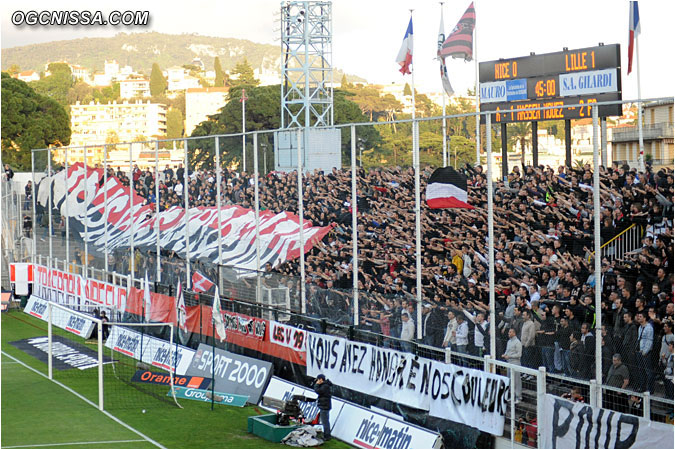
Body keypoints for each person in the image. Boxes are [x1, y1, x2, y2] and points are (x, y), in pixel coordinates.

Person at [502, 327, 522, 403]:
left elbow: (519, 354)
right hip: (509, 362)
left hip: (515, 362)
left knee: (516, 380)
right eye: (509, 332)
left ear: (514, 333)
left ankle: (518, 396)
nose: (508, 333)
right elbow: (507, 350)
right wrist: (505, 355)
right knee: (510, 379)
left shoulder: (517, 342)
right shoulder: (509, 342)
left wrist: (509, 356)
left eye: (510, 332)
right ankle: (512, 395)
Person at [312, 374, 332, 441]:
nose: (317, 381)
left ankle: (327, 436)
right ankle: (327, 435)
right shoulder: (325, 385)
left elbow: (318, 391)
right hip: (325, 405)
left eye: (318, 380)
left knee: (325, 422)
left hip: (324, 406)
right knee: (325, 421)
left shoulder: (325, 386)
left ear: (321, 379)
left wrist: (316, 385)